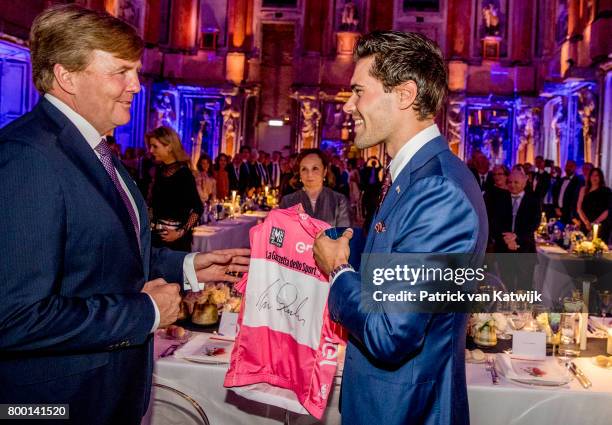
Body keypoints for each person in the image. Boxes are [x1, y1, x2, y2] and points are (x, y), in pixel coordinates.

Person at [0, 6, 249, 424]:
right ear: (67, 76)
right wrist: (145, 312)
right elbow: (14, 316)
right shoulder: (29, 157)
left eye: (136, 70)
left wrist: (188, 266)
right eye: (121, 71)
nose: (136, 84)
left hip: (106, 393)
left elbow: (99, 257)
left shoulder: (92, 149)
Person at [313, 31, 487, 425]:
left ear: (405, 95)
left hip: (408, 413)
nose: (349, 104)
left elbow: (391, 332)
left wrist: (338, 272)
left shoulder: (438, 189)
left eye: (359, 91)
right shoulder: (412, 178)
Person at [147, 126, 203, 252]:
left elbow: (198, 208)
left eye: (155, 146)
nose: (151, 150)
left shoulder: (184, 174)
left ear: (169, 147)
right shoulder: (160, 171)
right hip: (155, 238)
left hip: (176, 242)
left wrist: (179, 233)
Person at [280, 148, 350, 227]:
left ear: (324, 172)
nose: (309, 174)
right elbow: (280, 234)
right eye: (304, 169)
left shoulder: (339, 201)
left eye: (315, 168)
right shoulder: (287, 201)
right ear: (299, 173)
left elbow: (344, 234)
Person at [576, 168, 611, 241]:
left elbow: (607, 210)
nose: (594, 177)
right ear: (589, 177)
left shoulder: (606, 191)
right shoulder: (584, 189)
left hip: (600, 224)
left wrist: (595, 223)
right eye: (592, 175)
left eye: (597, 175)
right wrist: (586, 222)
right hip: (585, 223)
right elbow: (579, 208)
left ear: (600, 177)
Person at [555, 160, 584, 224]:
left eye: (571, 166)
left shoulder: (579, 181)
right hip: (559, 212)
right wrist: (556, 207)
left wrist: (572, 215)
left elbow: (575, 199)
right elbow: (556, 194)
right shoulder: (561, 180)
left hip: (570, 214)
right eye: (567, 166)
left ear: (575, 168)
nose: (568, 168)